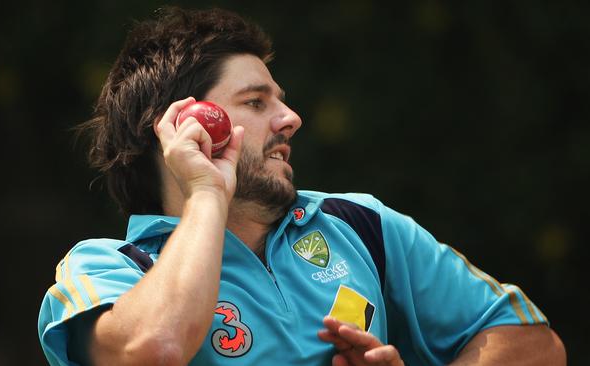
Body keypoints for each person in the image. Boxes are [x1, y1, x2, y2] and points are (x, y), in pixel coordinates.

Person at [37, 6, 565, 366]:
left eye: (280, 100)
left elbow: (535, 343)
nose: (290, 118)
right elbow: (157, 347)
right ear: (182, 126)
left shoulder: (359, 223)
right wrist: (205, 192)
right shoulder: (105, 269)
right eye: (255, 102)